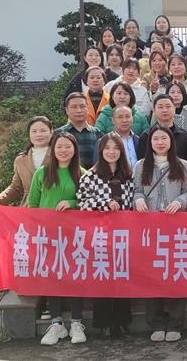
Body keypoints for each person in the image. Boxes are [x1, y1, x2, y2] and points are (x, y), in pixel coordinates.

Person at [133, 127, 187, 344]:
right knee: (152, 274)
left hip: (175, 228)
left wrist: (179, 202)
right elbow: (136, 190)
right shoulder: (141, 165)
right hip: (149, 229)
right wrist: (138, 199)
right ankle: (156, 323)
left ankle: (176, 323)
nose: (160, 142)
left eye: (164, 138)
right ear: (149, 142)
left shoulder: (183, 165)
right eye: (155, 138)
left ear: (171, 141)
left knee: (175, 272)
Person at [29, 132, 87, 346]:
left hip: (74, 236)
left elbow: (88, 202)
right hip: (48, 236)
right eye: (59, 146)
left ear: (74, 150)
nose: (64, 150)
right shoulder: (42, 173)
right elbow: (32, 204)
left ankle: (77, 322)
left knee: (74, 277)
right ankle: (56, 323)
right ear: (53, 149)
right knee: (52, 278)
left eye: (68, 146)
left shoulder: (82, 173)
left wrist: (71, 203)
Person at [76, 133, 135, 339]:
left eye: (116, 148)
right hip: (98, 235)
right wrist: (104, 204)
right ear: (100, 151)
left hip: (123, 235)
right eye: (107, 148)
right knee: (101, 278)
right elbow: (82, 202)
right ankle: (103, 323)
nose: (111, 152)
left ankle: (122, 321)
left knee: (121, 277)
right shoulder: (90, 176)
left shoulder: (129, 175)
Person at [0, 116, 52, 207]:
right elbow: (16, 187)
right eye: (34, 131)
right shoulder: (20, 160)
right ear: (29, 134)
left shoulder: (59, 155)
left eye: (43, 131)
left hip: (54, 206)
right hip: (29, 208)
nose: (38, 134)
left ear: (51, 132)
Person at [138, 94, 187, 163]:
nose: (165, 110)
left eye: (168, 106)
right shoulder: (146, 136)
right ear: (154, 111)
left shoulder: (184, 136)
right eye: (160, 107)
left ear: (174, 109)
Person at [55, 92, 102, 169]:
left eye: (82, 106)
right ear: (67, 110)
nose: (79, 110)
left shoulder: (97, 133)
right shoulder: (58, 134)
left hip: (91, 175)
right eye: (74, 107)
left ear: (88, 108)